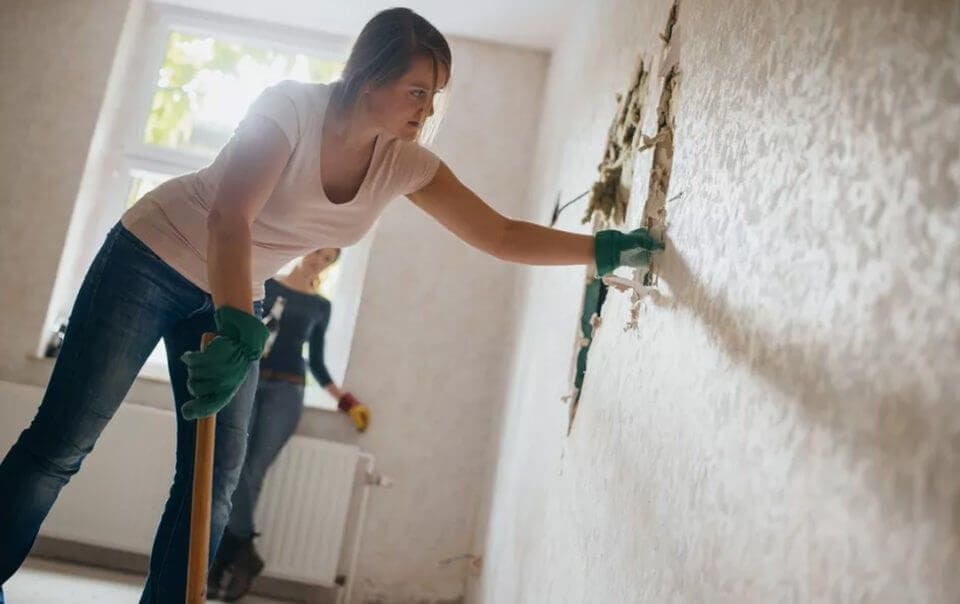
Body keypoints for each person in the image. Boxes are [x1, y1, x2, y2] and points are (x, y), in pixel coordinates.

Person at [0, 7, 663, 602]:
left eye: (433, 99)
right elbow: (230, 217)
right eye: (416, 91)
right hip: (153, 258)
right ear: (366, 74)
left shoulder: (405, 163)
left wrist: (602, 249)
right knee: (61, 445)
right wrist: (238, 323)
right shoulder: (288, 107)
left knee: (214, 485)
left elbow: (499, 234)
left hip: (233, 292)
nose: (425, 112)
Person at [207, 248, 368, 601]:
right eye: (318, 252)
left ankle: (223, 561)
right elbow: (236, 330)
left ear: (328, 267)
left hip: (287, 390)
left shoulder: (319, 307)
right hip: (247, 380)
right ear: (307, 248)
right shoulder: (264, 282)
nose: (318, 260)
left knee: (251, 472)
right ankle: (242, 553)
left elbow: (318, 363)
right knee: (231, 468)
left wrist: (346, 400)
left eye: (327, 259)